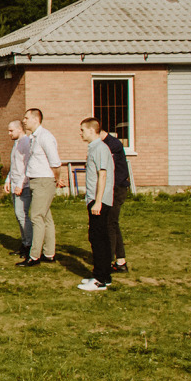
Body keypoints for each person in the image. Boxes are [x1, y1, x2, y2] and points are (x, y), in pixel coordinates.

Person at [20, 107, 65, 267]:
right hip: (36, 181)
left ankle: (34, 256)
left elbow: (55, 162)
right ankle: (49, 253)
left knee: (36, 216)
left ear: (35, 119)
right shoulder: (33, 137)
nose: (24, 121)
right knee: (46, 217)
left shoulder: (45, 137)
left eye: (26, 118)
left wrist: (56, 179)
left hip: (44, 181)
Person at [77, 118, 115, 292]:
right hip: (94, 199)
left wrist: (98, 201)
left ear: (92, 131)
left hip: (99, 200)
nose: (81, 133)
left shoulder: (100, 148)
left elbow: (103, 175)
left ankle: (100, 279)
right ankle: (103, 276)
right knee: (99, 238)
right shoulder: (94, 148)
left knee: (98, 239)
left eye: (83, 130)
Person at [97, 124, 132, 273]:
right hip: (114, 188)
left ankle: (110, 260)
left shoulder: (111, 145)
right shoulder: (107, 145)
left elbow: (110, 171)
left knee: (110, 224)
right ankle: (120, 260)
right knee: (112, 224)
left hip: (116, 189)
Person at [4, 119, 34, 262]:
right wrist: (8, 180)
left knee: (22, 215)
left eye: (11, 130)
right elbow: (14, 165)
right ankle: (24, 242)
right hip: (15, 183)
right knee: (18, 215)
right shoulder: (16, 144)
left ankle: (29, 244)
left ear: (19, 129)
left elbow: (27, 166)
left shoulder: (26, 143)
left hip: (23, 185)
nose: (9, 133)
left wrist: (21, 184)